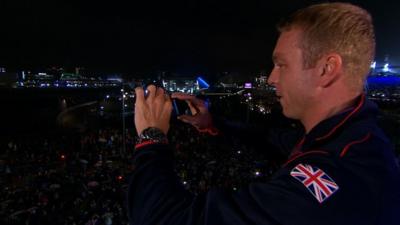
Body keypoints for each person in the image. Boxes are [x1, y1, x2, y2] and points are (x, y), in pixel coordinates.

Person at [128, 2, 400, 225]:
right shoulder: (347, 137)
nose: (271, 78)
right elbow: (271, 139)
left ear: (326, 69)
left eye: (281, 65)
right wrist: (214, 123)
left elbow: (164, 219)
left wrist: (151, 137)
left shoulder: (336, 180)